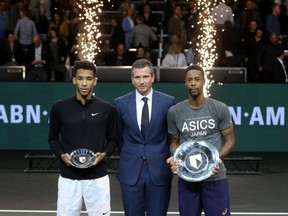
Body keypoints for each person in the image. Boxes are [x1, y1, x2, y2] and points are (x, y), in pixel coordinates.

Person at [48, 60, 118, 216]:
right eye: (80, 78)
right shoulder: (59, 107)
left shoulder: (107, 109)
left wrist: (104, 154)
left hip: (98, 178)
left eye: (88, 78)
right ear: (73, 80)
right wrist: (61, 155)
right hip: (68, 178)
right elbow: (52, 139)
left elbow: (113, 139)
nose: (84, 83)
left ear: (95, 81)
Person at [166, 64, 235, 216]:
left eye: (197, 79)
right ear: (185, 83)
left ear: (204, 81)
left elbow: (230, 141)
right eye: (189, 80)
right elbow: (174, 143)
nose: (193, 83)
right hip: (188, 180)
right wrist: (176, 158)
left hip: (215, 178)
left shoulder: (219, 108)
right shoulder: (175, 112)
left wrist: (216, 159)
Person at [114, 59, 175, 216]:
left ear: (153, 77)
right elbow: (119, 137)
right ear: (132, 79)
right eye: (137, 77)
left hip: (159, 171)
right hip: (130, 171)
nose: (141, 81)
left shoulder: (168, 102)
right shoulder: (120, 103)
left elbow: (171, 137)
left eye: (145, 77)